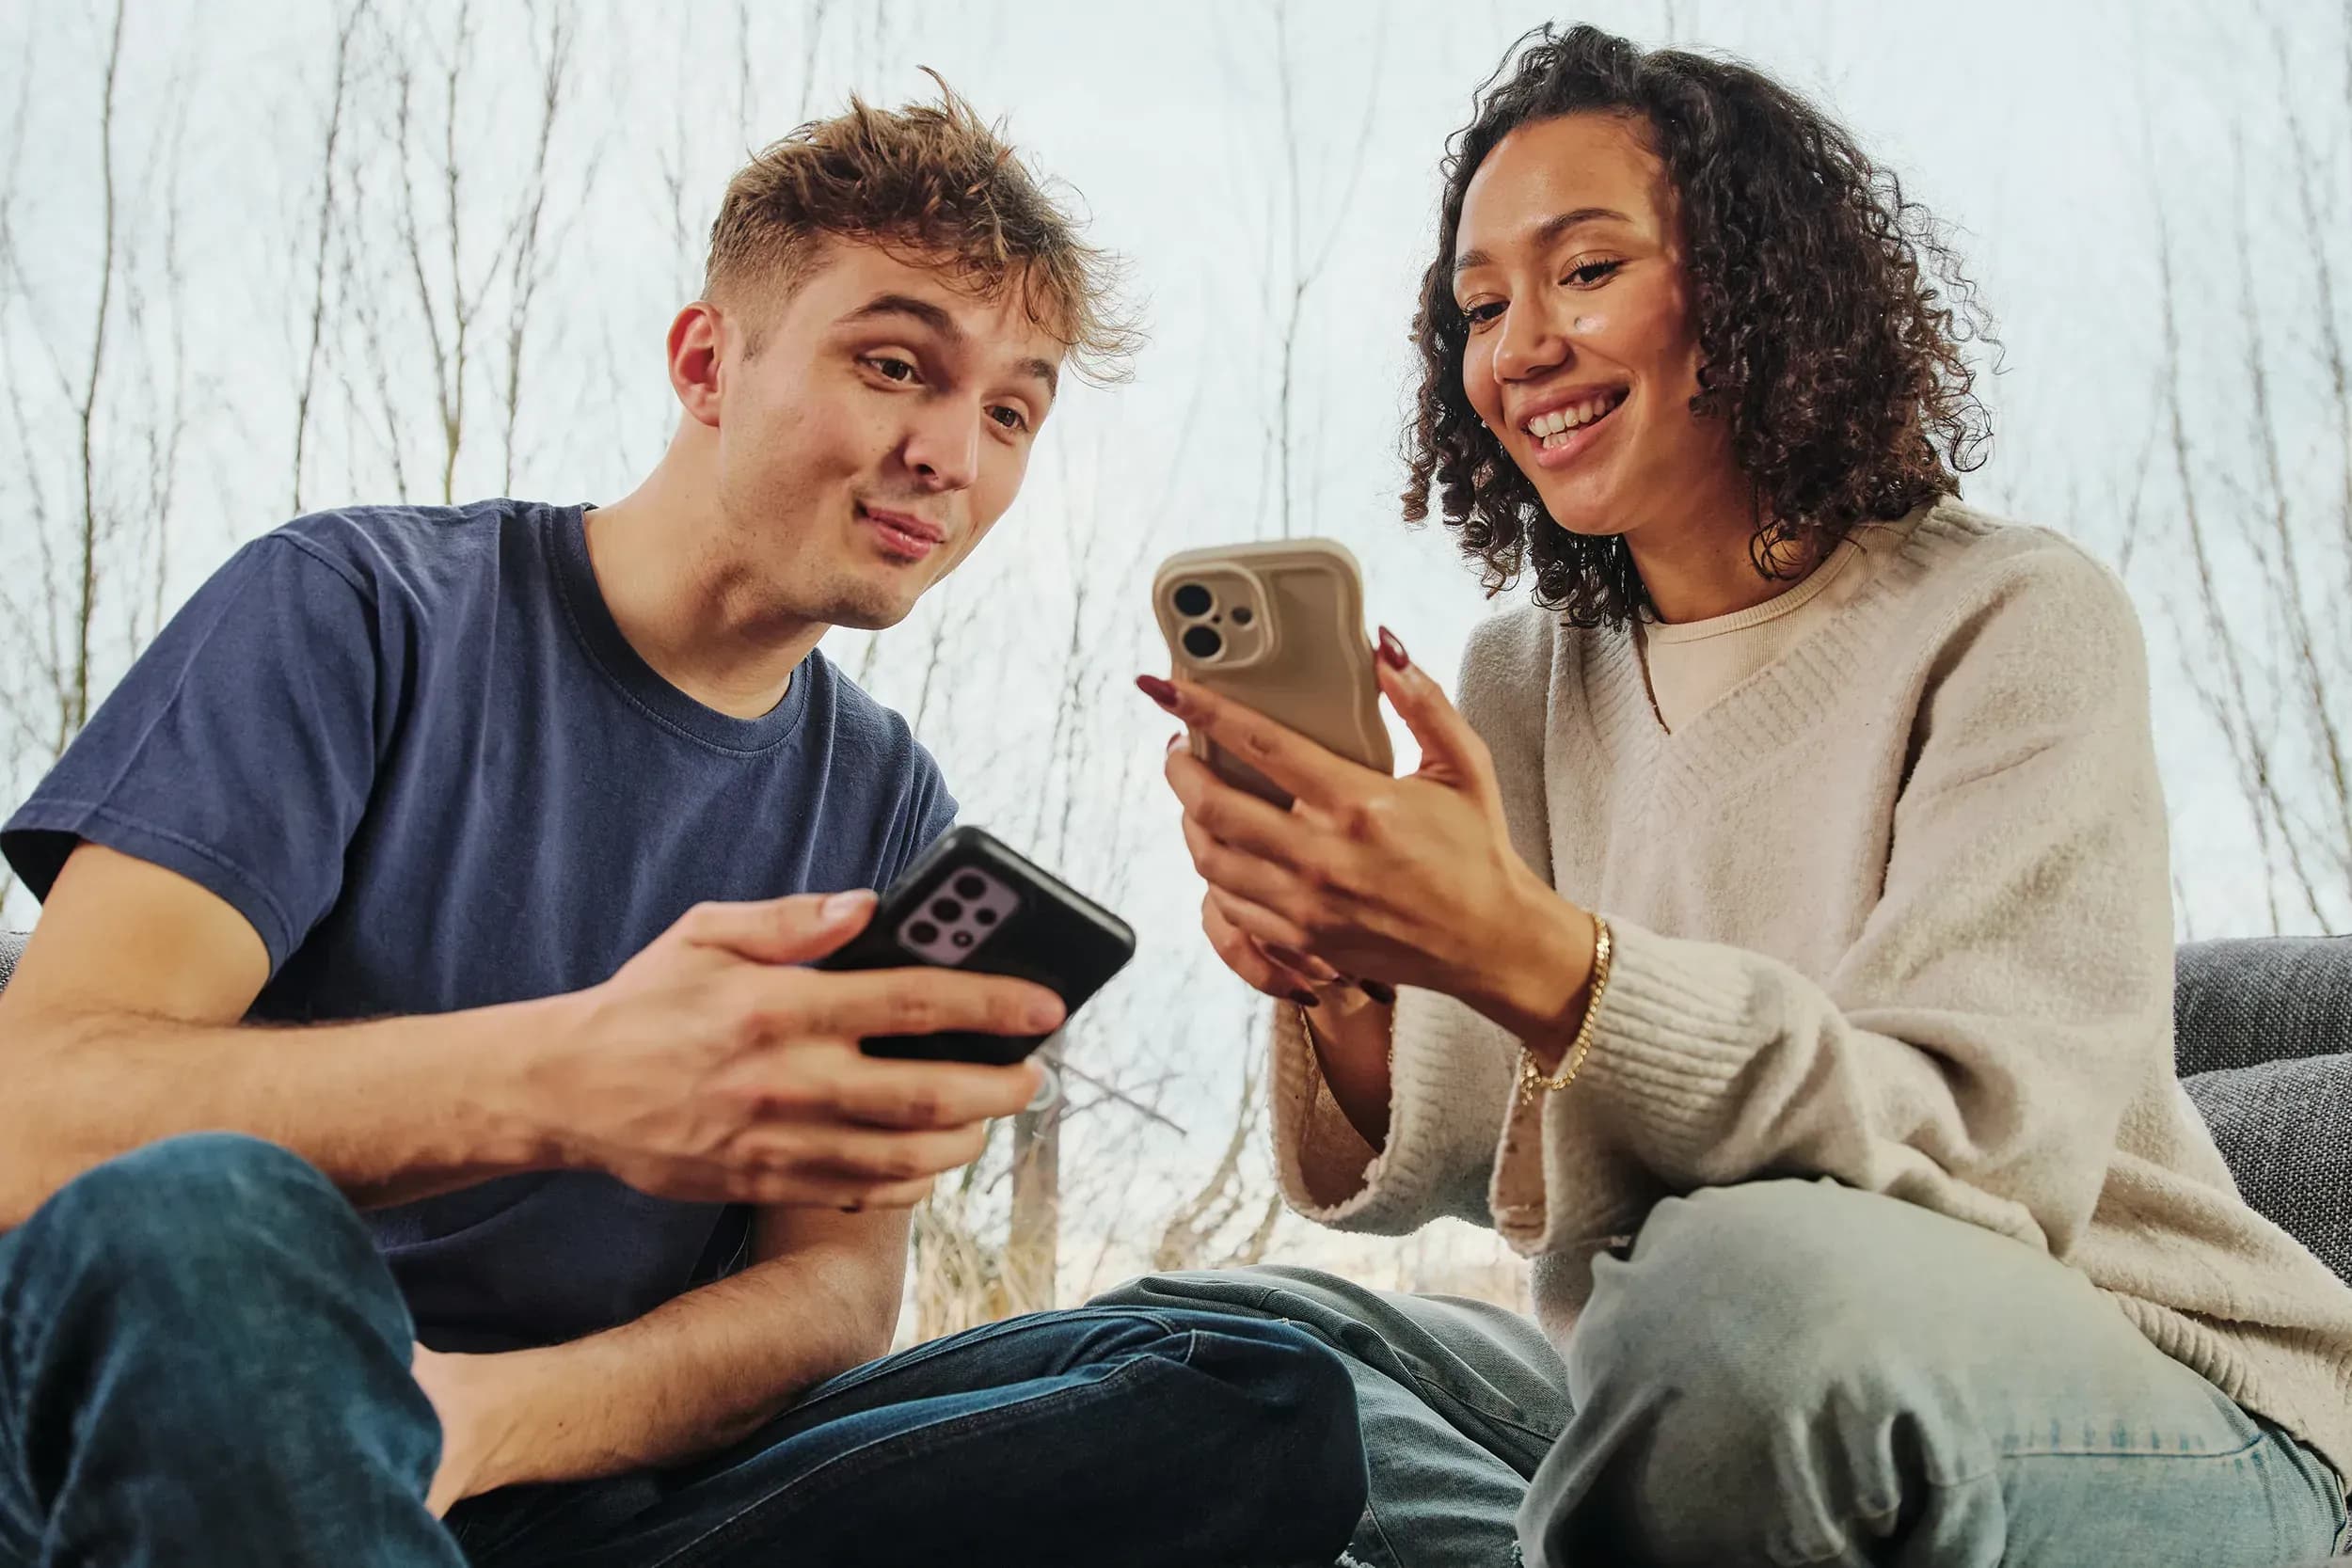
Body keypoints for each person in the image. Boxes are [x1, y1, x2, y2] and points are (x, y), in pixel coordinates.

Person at [0, 85, 1365, 1567]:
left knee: (1253, 1392)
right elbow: (37, 1119)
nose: (951, 456)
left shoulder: (890, 804)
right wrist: (571, 1079)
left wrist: (477, 1421)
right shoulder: (354, 610)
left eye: (1010, 412)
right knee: (200, 1222)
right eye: (898, 365)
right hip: (220, 1414)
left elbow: (831, 1297)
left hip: (573, 1475)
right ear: (708, 360)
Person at [1144, 24, 2352, 1566]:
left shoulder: (2014, 619)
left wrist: (1532, 952)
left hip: (2145, 1389)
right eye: (1481, 303)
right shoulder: (1525, 675)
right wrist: (1346, 967)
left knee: (1736, 1295)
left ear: (1755, 287)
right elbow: (1457, 1140)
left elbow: (1972, 1153)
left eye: (1585, 272)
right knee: (1234, 1353)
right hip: (1688, 1373)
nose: (1520, 347)